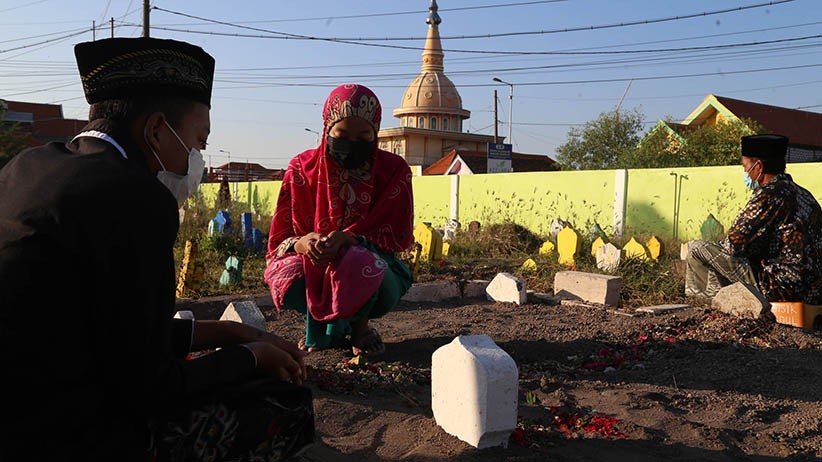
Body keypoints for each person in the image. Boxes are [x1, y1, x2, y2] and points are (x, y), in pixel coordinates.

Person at [0, 37, 314, 461]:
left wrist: (230, 332)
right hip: (52, 433)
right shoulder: (137, 199)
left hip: (26, 394)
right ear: (155, 129)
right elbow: (149, 385)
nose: (197, 160)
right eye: (199, 142)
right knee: (284, 404)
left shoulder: (29, 166)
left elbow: (109, 332)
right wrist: (249, 358)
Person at [264, 84, 414, 356]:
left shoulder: (394, 171)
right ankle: (320, 331)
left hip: (375, 265)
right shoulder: (301, 168)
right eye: (341, 134)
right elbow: (279, 241)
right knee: (287, 273)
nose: (351, 143)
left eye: (363, 135)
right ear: (327, 129)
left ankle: (361, 329)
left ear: (375, 133)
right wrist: (303, 243)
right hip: (312, 261)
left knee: (356, 261)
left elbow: (396, 236)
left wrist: (350, 240)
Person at [685, 134, 822, 304]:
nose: (745, 173)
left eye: (745, 167)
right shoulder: (803, 194)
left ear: (758, 166)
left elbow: (733, 245)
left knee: (697, 249)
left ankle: (708, 308)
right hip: (815, 288)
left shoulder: (770, 194)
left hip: (783, 286)